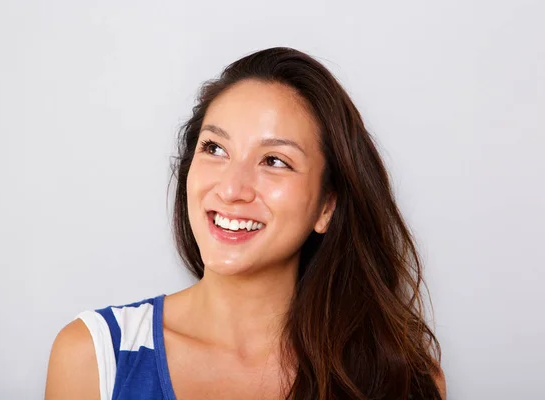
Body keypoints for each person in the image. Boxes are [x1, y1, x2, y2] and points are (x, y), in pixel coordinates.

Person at [45, 47, 446, 400]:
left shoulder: (400, 377)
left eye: (274, 161)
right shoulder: (95, 357)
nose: (232, 188)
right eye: (215, 148)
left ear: (327, 206)